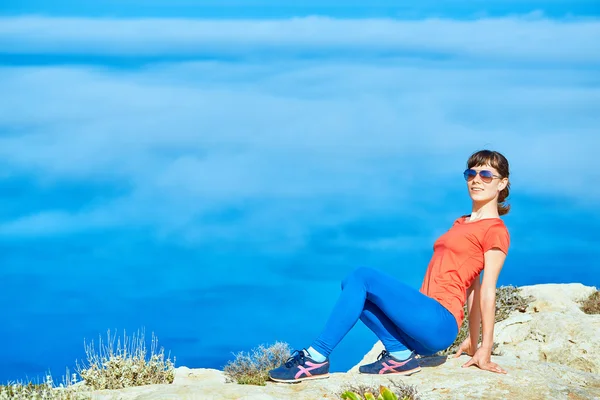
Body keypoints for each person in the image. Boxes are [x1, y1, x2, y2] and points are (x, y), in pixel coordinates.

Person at [268, 149, 512, 383]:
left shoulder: (495, 230)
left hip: (440, 323)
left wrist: (485, 348)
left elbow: (487, 289)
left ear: (501, 183)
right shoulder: (461, 223)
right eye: (471, 174)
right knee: (354, 288)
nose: (476, 180)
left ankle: (315, 358)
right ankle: (399, 355)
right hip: (420, 329)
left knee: (362, 276)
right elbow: (472, 287)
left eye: (486, 175)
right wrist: (471, 339)